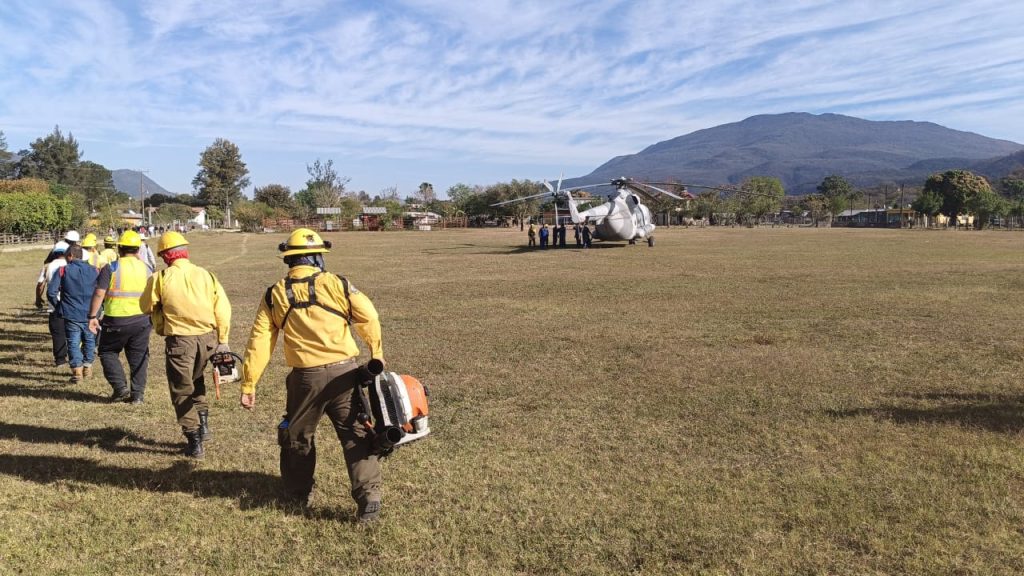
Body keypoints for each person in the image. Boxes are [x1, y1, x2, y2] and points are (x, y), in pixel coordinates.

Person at [240, 228, 386, 521]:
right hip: (346, 373)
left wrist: (249, 382)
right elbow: (369, 316)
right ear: (318, 256)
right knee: (356, 435)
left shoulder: (275, 294)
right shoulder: (338, 283)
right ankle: (369, 495)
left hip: (304, 379)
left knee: (298, 438)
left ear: (289, 259)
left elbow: (260, 341)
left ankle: (298, 494)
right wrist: (376, 354)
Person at [140, 231, 231, 458]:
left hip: (180, 341)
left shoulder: (160, 278)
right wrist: (223, 340)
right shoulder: (207, 275)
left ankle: (194, 438)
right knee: (197, 382)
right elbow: (223, 309)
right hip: (209, 339)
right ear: (185, 252)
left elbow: (145, 307)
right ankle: (204, 425)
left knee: (181, 389)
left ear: (164, 256)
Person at [88, 230, 153, 404]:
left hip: (116, 319)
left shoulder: (111, 267)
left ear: (119, 249)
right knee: (139, 356)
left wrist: (92, 315)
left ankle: (120, 388)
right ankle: (137, 394)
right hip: (142, 320)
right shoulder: (147, 268)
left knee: (107, 352)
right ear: (138, 249)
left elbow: (99, 293)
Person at [48, 245, 98, 383]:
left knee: (73, 342)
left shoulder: (63, 270)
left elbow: (51, 292)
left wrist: (59, 307)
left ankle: (77, 371)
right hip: (90, 313)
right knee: (89, 340)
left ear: (70, 255)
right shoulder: (95, 270)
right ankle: (88, 366)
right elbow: (101, 291)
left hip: (71, 313)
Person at [36, 241, 69, 368]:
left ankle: (60, 360)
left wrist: (38, 299)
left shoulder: (47, 266)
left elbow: (40, 285)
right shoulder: (71, 264)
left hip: (54, 304)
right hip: (70, 302)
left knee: (57, 332)